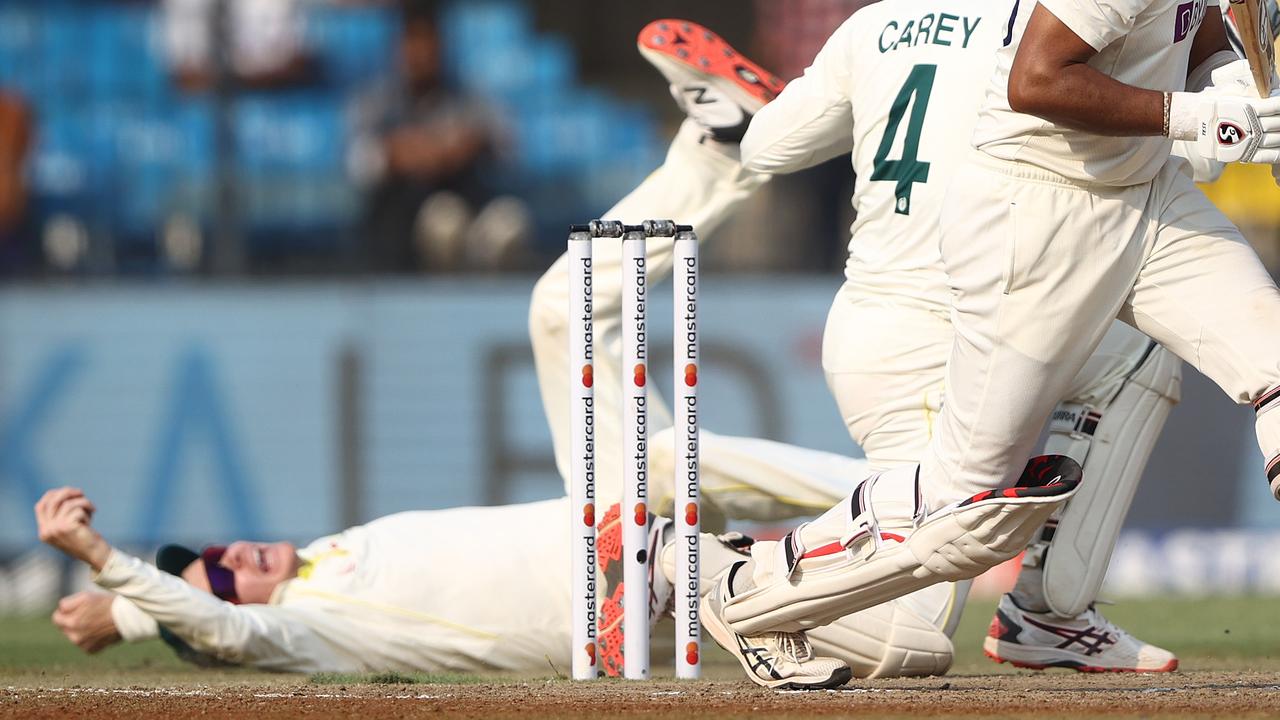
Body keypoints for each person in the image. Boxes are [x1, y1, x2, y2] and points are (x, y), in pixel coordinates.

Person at [529, 17, 1183, 688]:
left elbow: (768, 147)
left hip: (890, 323)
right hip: (940, 342)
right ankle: (704, 565)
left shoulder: (875, 25)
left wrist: (755, 123)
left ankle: (1047, 615)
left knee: (1137, 360)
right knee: (913, 637)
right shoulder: (1051, 33)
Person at [694, 0, 1280, 691]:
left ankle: (1050, 616)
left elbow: (1200, 32)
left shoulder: (876, 24)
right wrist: (1197, 118)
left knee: (1220, 361)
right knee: (965, 515)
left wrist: (1230, 79)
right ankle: (751, 590)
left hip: (1142, 195)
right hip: (1038, 215)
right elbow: (1034, 81)